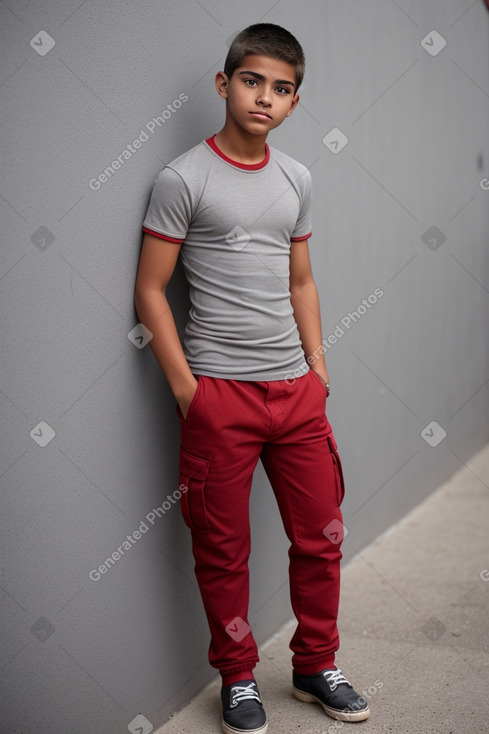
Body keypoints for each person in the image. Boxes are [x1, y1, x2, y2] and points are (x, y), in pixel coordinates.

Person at [134, 22, 370, 734]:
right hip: (220, 397)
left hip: (295, 394)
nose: (264, 97)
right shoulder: (183, 178)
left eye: (281, 88)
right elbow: (151, 290)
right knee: (222, 547)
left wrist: (317, 366)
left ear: (294, 102)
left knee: (320, 535)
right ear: (223, 84)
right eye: (251, 80)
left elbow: (300, 280)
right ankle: (236, 677)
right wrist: (186, 390)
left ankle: (313, 665)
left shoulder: (296, 178)